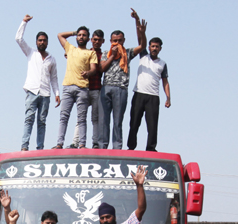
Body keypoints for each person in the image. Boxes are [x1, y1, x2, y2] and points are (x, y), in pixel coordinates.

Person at [100, 8, 147, 149]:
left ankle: (117, 147)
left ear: (124, 41)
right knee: (104, 120)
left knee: (118, 120)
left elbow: (143, 46)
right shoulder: (105, 54)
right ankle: (103, 147)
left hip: (121, 89)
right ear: (110, 41)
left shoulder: (128, 53)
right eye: (114, 41)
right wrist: (113, 56)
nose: (117, 44)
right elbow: (102, 68)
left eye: (119, 41)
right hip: (106, 87)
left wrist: (139, 26)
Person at [16, 14, 60, 151]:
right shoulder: (31, 53)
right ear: (36, 42)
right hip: (32, 91)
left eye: (44, 40)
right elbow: (18, 39)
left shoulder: (51, 59)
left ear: (47, 42)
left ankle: (40, 147)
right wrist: (24, 22)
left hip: (45, 94)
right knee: (29, 119)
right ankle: (24, 146)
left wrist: (57, 93)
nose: (42, 42)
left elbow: (54, 78)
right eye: (40, 40)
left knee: (42, 122)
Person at [53, 26, 98, 149]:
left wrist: (88, 72)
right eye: (79, 35)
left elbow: (94, 68)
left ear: (88, 38)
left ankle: (82, 144)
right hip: (67, 87)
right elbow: (60, 35)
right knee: (63, 117)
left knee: (81, 118)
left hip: (82, 88)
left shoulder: (91, 52)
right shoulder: (70, 48)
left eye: (84, 35)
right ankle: (59, 143)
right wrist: (74, 32)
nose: (81, 37)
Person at [126, 37, 170, 152]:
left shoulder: (162, 64)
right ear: (149, 47)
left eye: (157, 47)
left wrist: (168, 97)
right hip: (139, 94)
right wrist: (139, 27)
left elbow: (165, 81)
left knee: (152, 125)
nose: (154, 48)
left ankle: (151, 148)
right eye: (152, 46)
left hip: (153, 97)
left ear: (160, 48)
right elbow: (141, 41)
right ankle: (131, 147)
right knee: (134, 122)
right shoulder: (143, 56)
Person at [71, 29, 105, 148]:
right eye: (94, 39)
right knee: (80, 118)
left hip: (96, 89)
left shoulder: (104, 55)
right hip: (84, 89)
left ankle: (95, 143)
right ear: (91, 40)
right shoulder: (85, 52)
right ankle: (76, 142)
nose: (96, 42)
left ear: (103, 42)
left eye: (99, 40)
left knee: (95, 118)